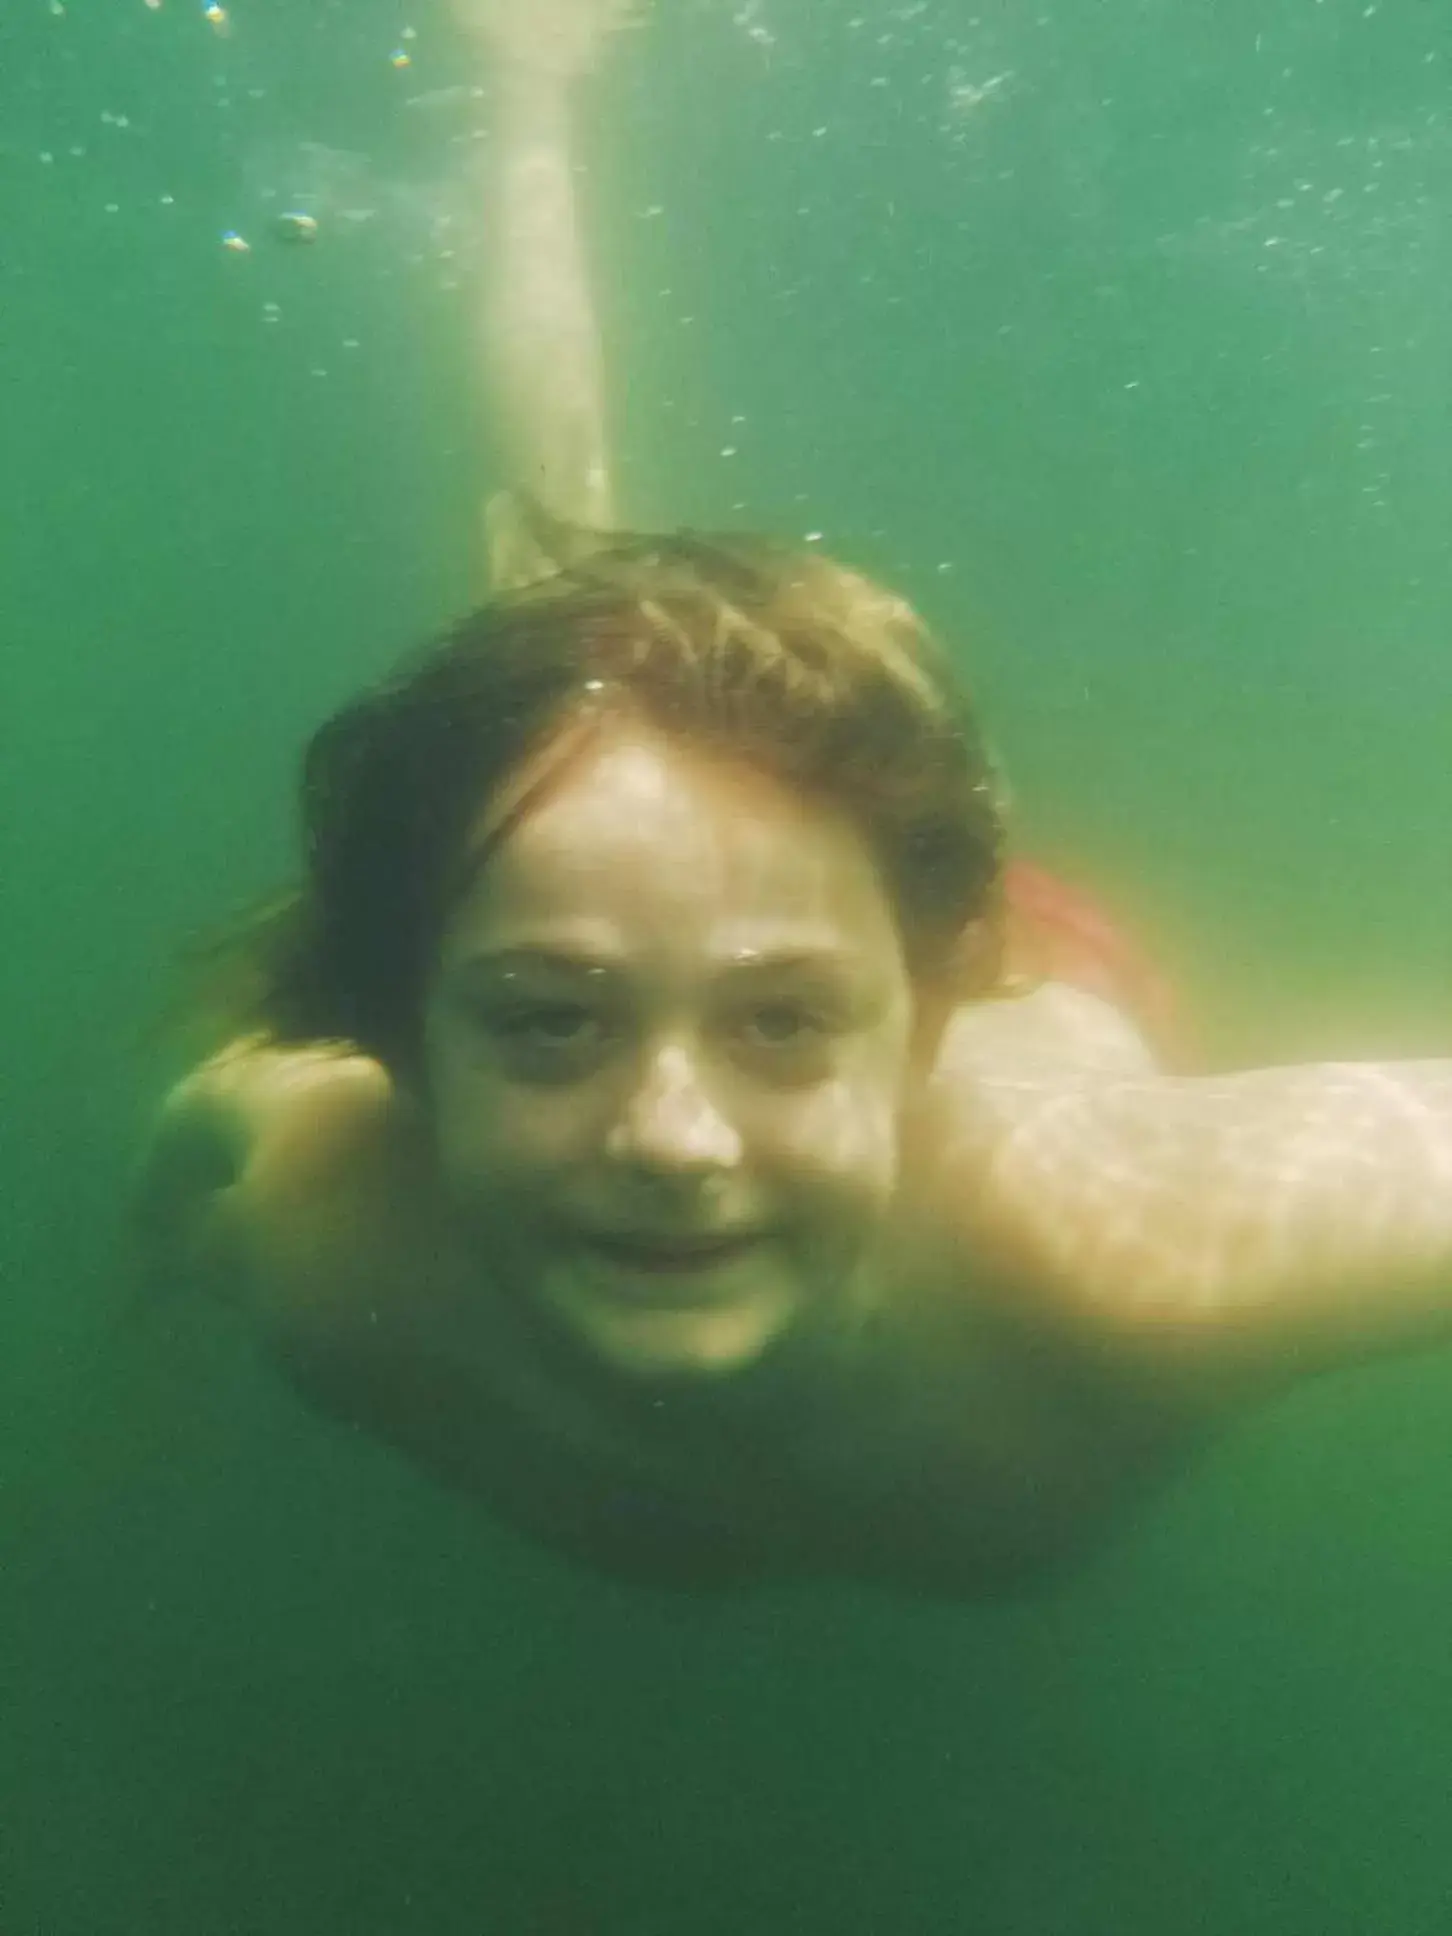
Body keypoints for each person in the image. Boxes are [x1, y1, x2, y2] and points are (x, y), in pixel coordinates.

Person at [133, 0, 1452, 1596]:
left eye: (785, 1028)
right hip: (712, 908)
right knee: (550, 628)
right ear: (400, 1037)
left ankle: (526, 94)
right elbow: (191, 1149)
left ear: (929, 1009)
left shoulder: (1118, 1254)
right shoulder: (319, 1236)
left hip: (1044, 955)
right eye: (547, 1022)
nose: (672, 1142)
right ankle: (527, 86)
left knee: (557, 622)